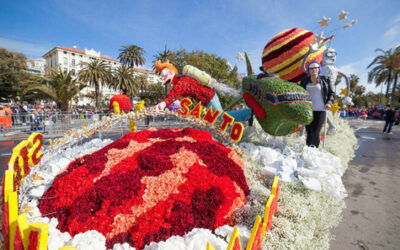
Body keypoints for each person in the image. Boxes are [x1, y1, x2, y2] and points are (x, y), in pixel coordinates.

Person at [300, 61, 334, 148]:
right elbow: (300, 93)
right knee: (309, 132)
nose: (314, 70)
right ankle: (307, 151)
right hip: (308, 110)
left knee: (315, 132)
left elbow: (331, 93)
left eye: (316, 67)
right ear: (308, 70)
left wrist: (329, 103)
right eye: (311, 68)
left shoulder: (325, 79)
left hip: (321, 109)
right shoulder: (304, 81)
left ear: (319, 69)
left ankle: (314, 151)